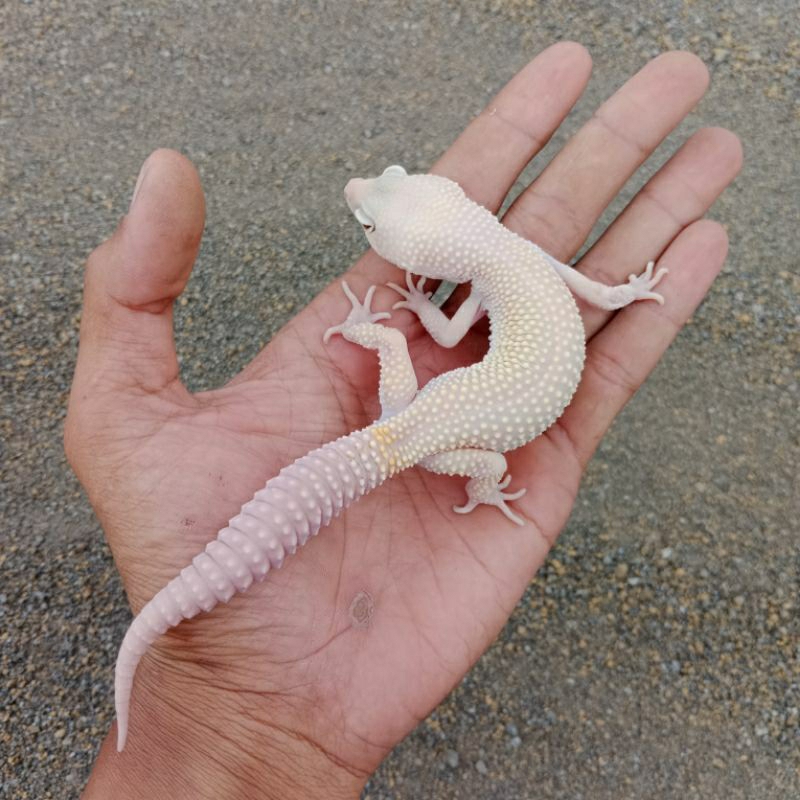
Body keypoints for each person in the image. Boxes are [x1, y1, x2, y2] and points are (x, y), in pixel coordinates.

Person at [67, 43, 742, 799]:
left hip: (421, 426)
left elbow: (450, 337)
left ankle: (380, 340)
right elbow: (592, 293)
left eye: (372, 211)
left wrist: (416, 315)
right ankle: (401, 369)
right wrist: (629, 293)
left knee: (442, 411)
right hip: (434, 429)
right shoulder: (513, 259)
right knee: (467, 442)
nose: (363, 192)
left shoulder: (487, 280)